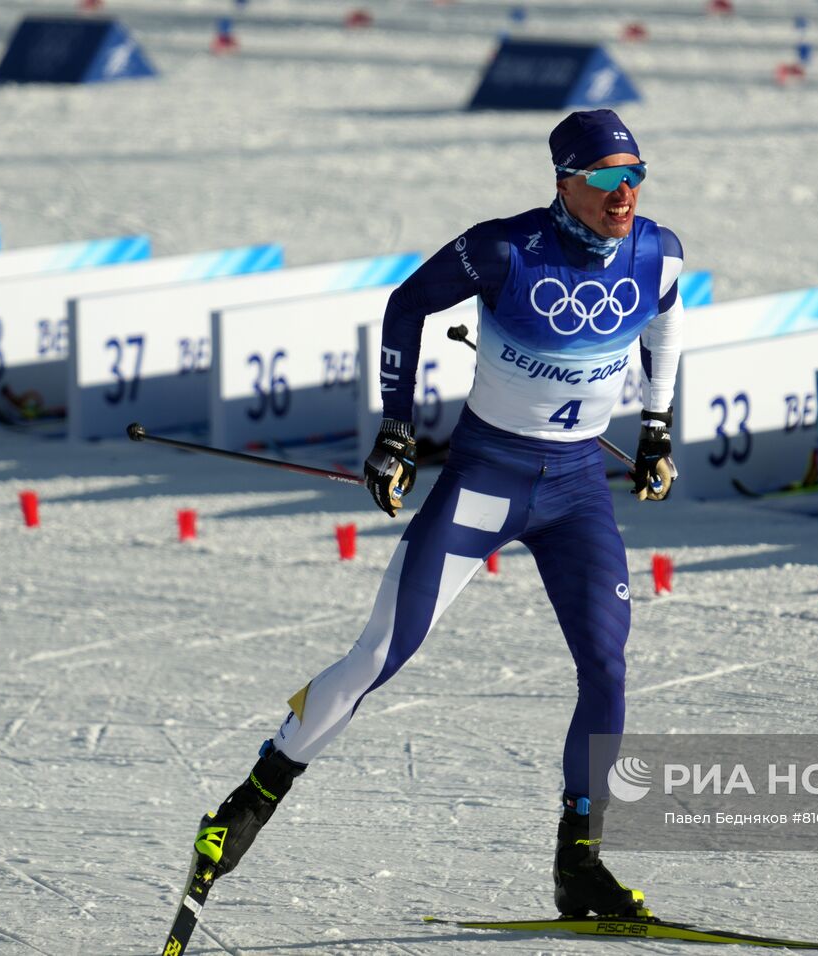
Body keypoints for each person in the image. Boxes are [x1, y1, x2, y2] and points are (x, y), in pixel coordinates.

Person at [190, 109, 684, 919]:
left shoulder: (657, 249)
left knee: (607, 666)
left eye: (633, 176)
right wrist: (396, 429)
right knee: (382, 652)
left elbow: (666, 313)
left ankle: (579, 865)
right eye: (602, 178)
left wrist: (656, 426)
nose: (621, 195)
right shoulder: (503, 249)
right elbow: (405, 304)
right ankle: (242, 809)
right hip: (488, 477)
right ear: (564, 181)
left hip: (577, 491)